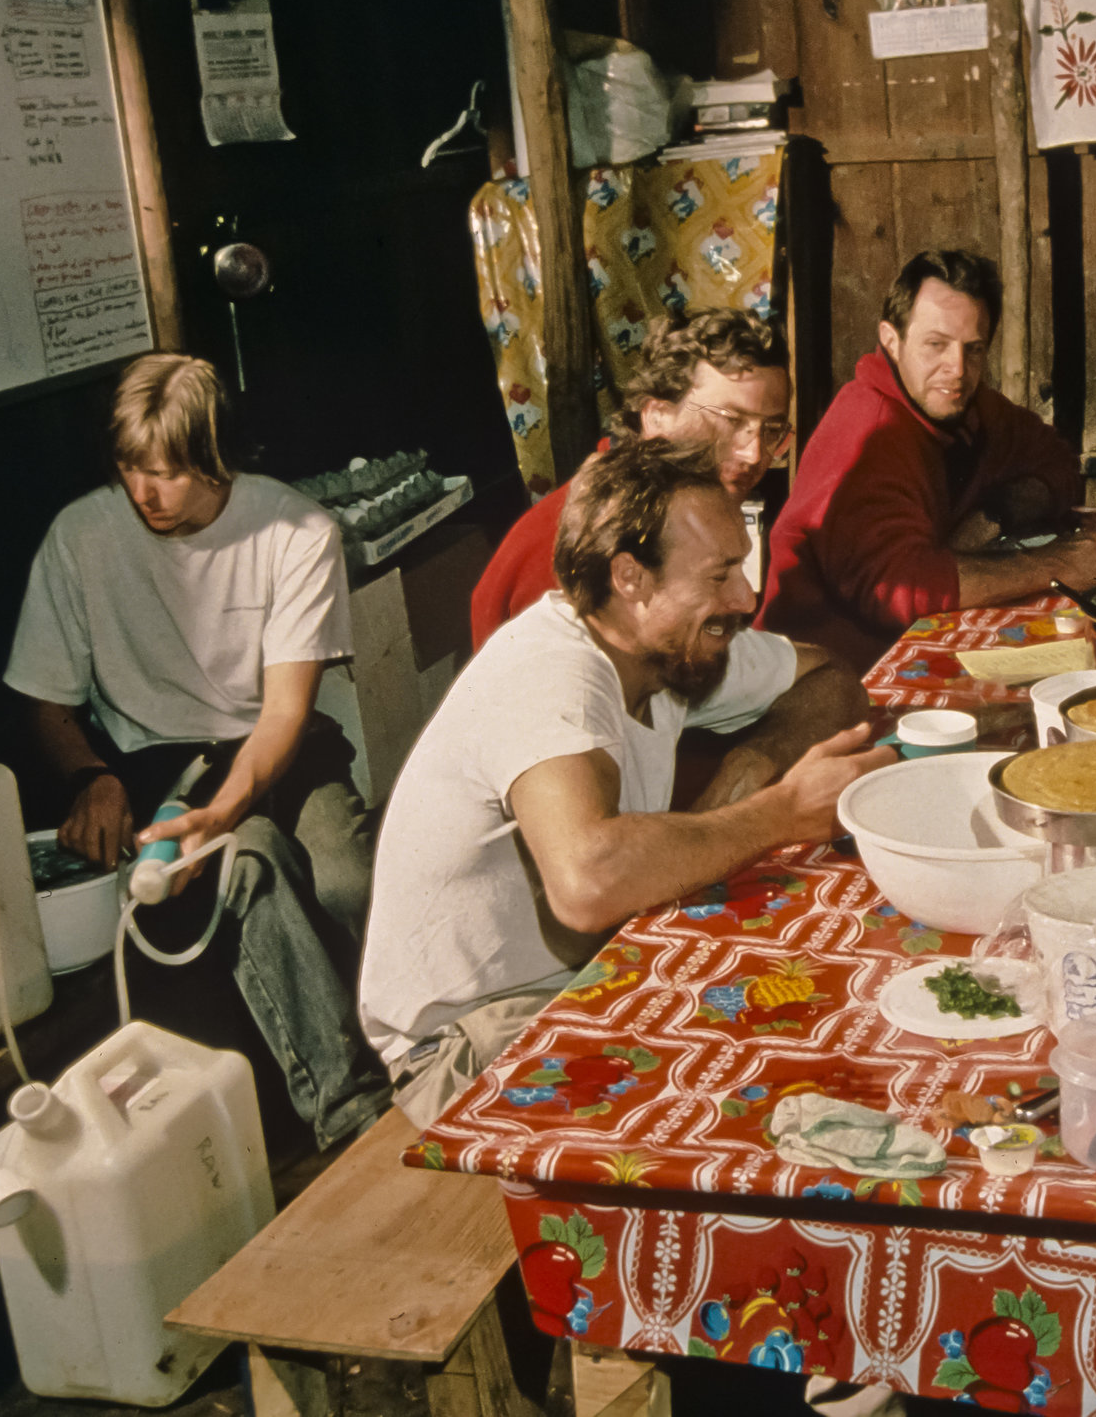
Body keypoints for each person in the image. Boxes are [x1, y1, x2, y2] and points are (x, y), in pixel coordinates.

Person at [363, 438, 893, 1126]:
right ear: (630, 577)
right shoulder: (551, 671)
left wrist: (749, 766)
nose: (746, 594)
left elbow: (833, 680)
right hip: (467, 1044)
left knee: (830, 1010)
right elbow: (588, 883)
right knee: (760, 1105)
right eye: (720, 573)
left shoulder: (667, 648)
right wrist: (780, 811)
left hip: (585, 981)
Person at [5, 353, 387, 1149]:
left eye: (169, 472)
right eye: (130, 468)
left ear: (218, 459)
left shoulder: (295, 529)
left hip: (279, 746)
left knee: (350, 877)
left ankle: (408, 1048)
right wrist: (92, 776)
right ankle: (353, 1119)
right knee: (250, 864)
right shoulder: (80, 537)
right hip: (156, 761)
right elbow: (46, 700)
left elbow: (285, 712)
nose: (145, 492)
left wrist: (227, 802)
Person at [760, 250, 1096, 671]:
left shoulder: (965, 404)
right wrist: (1058, 566)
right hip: (823, 681)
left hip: (917, 650)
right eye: (936, 345)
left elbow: (1055, 460)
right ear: (892, 342)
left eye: (974, 349)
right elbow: (900, 592)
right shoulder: (868, 432)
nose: (957, 369)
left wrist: (994, 515)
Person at [472, 308, 794, 649]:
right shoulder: (582, 539)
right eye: (730, 420)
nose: (754, 454)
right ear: (657, 417)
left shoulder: (677, 516)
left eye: (772, 430)